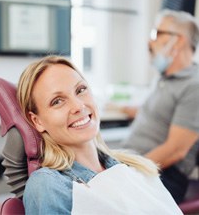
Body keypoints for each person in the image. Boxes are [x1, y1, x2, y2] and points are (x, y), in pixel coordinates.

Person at [17, 55, 182, 214]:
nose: (78, 106)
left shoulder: (136, 168)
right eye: (57, 101)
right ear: (37, 121)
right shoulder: (49, 185)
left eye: (81, 90)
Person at [118, 9, 199, 204]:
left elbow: (175, 150)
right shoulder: (165, 79)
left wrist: (126, 172)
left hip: (162, 175)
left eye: (156, 34)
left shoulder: (194, 86)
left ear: (178, 41)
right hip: (136, 163)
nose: (150, 42)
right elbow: (161, 113)